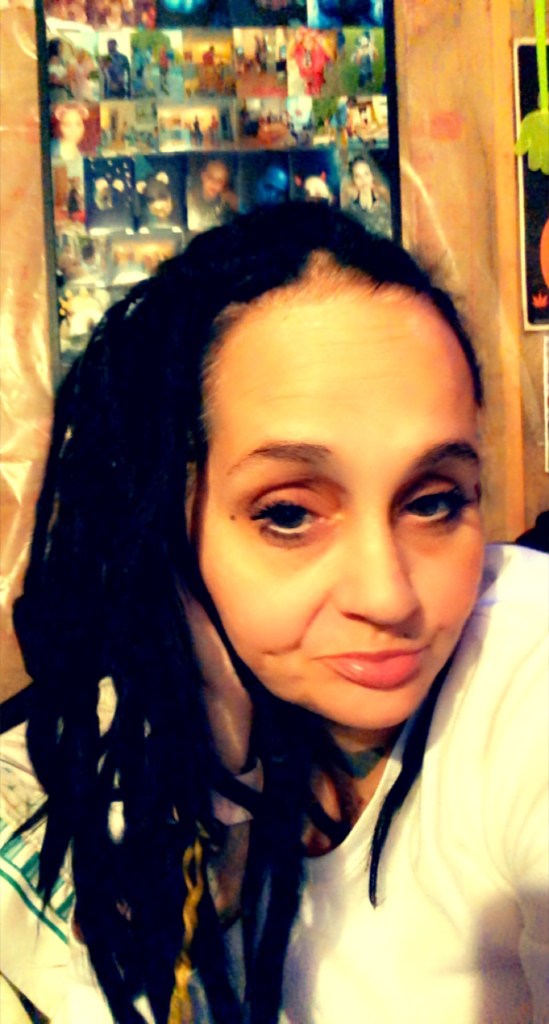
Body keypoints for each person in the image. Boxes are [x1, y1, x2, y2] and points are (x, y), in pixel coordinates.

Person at [9, 203, 549, 1024]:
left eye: (434, 501)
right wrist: (218, 798)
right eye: (289, 514)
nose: (388, 597)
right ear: (167, 521)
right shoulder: (142, 740)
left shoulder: (525, 673)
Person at [341, 153, 391, 236]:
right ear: (353, 180)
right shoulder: (350, 211)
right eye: (358, 176)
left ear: (372, 176)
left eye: (366, 174)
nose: (363, 180)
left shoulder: (386, 203)